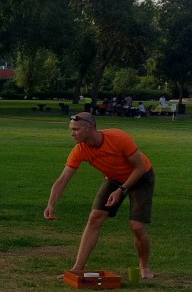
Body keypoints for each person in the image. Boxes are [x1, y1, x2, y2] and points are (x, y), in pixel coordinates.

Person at [43, 113, 155, 279]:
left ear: (89, 129)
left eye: (75, 130)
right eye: (71, 130)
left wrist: (121, 190)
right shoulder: (80, 150)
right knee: (95, 217)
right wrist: (51, 203)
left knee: (137, 226)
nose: (71, 134)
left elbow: (139, 167)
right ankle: (77, 268)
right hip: (114, 178)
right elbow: (63, 179)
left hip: (140, 176)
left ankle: (144, 267)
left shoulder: (118, 138)